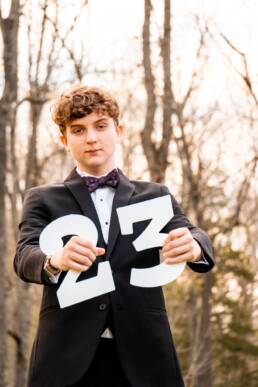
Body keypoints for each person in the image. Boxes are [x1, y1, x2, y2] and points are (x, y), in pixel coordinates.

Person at [13, 85, 214, 387]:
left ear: (118, 130)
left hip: (145, 357)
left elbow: (195, 235)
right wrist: (54, 260)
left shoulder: (154, 195)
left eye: (101, 126)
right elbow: (24, 256)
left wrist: (194, 246)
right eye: (78, 130)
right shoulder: (42, 198)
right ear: (64, 140)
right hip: (65, 359)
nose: (91, 138)